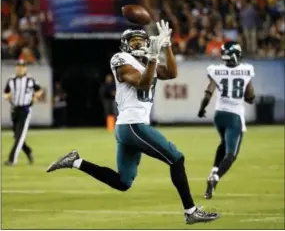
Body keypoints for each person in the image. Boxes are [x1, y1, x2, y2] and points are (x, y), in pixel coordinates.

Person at [46, 20, 219, 224]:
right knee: (176, 159)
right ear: (125, 44)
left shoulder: (147, 61)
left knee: (123, 182)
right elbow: (142, 82)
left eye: (141, 41)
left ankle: (75, 161)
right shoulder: (121, 59)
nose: (138, 44)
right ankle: (190, 212)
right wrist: (154, 57)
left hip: (129, 127)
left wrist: (166, 46)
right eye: (134, 41)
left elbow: (171, 73)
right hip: (133, 124)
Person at [197, 41, 256, 199]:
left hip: (219, 115)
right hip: (234, 116)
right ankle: (214, 179)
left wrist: (202, 109)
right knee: (231, 154)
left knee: (223, 143)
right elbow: (250, 97)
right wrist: (246, 94)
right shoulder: (246, 70)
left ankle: (214, 171)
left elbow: (208, 93)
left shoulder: (216, 70)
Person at [3, 59, 43, 165]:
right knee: (17, 137)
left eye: (22, 66)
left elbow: (39, 90)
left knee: (19, 136)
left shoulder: (31, 80)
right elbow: (5, 93)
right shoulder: (11, 80)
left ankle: (12, 160)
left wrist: (36, 96)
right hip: (14, 110)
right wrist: (7, 96)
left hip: (25, 110)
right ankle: (28, 151)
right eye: (18, 66)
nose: (20, 68)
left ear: (25, 68)